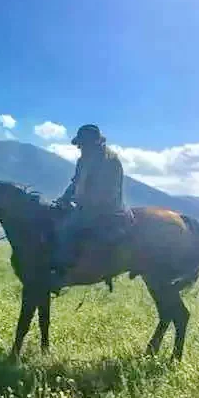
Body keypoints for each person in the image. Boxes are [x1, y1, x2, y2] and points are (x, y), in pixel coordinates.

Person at [49, 124, 126, 291]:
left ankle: (63, 271)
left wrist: (84, 203)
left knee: (67, 228)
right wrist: (64, 199)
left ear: (93, 143)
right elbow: (75, 182)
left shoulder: (109, 160)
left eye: (82, 144)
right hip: (86, 205)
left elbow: (108, 190)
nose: (80, 148)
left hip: (106, 208)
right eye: (80, 145)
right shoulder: (83, 159)